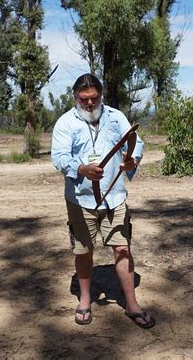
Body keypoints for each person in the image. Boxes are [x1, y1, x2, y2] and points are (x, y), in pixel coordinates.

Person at [51, 73, 155, 328]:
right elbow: (60, 157)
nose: (89, 103)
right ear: (75, 97)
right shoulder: (65, 123)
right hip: (80, 200)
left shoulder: (116, 117)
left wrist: (132, 158)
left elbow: (135, 143)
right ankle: (85, 301)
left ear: (101, 96)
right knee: (84, 251)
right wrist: (81, 169)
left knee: (122, 248)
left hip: (115, 197)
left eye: (94, 98)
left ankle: (131, 304)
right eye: (84, 99)